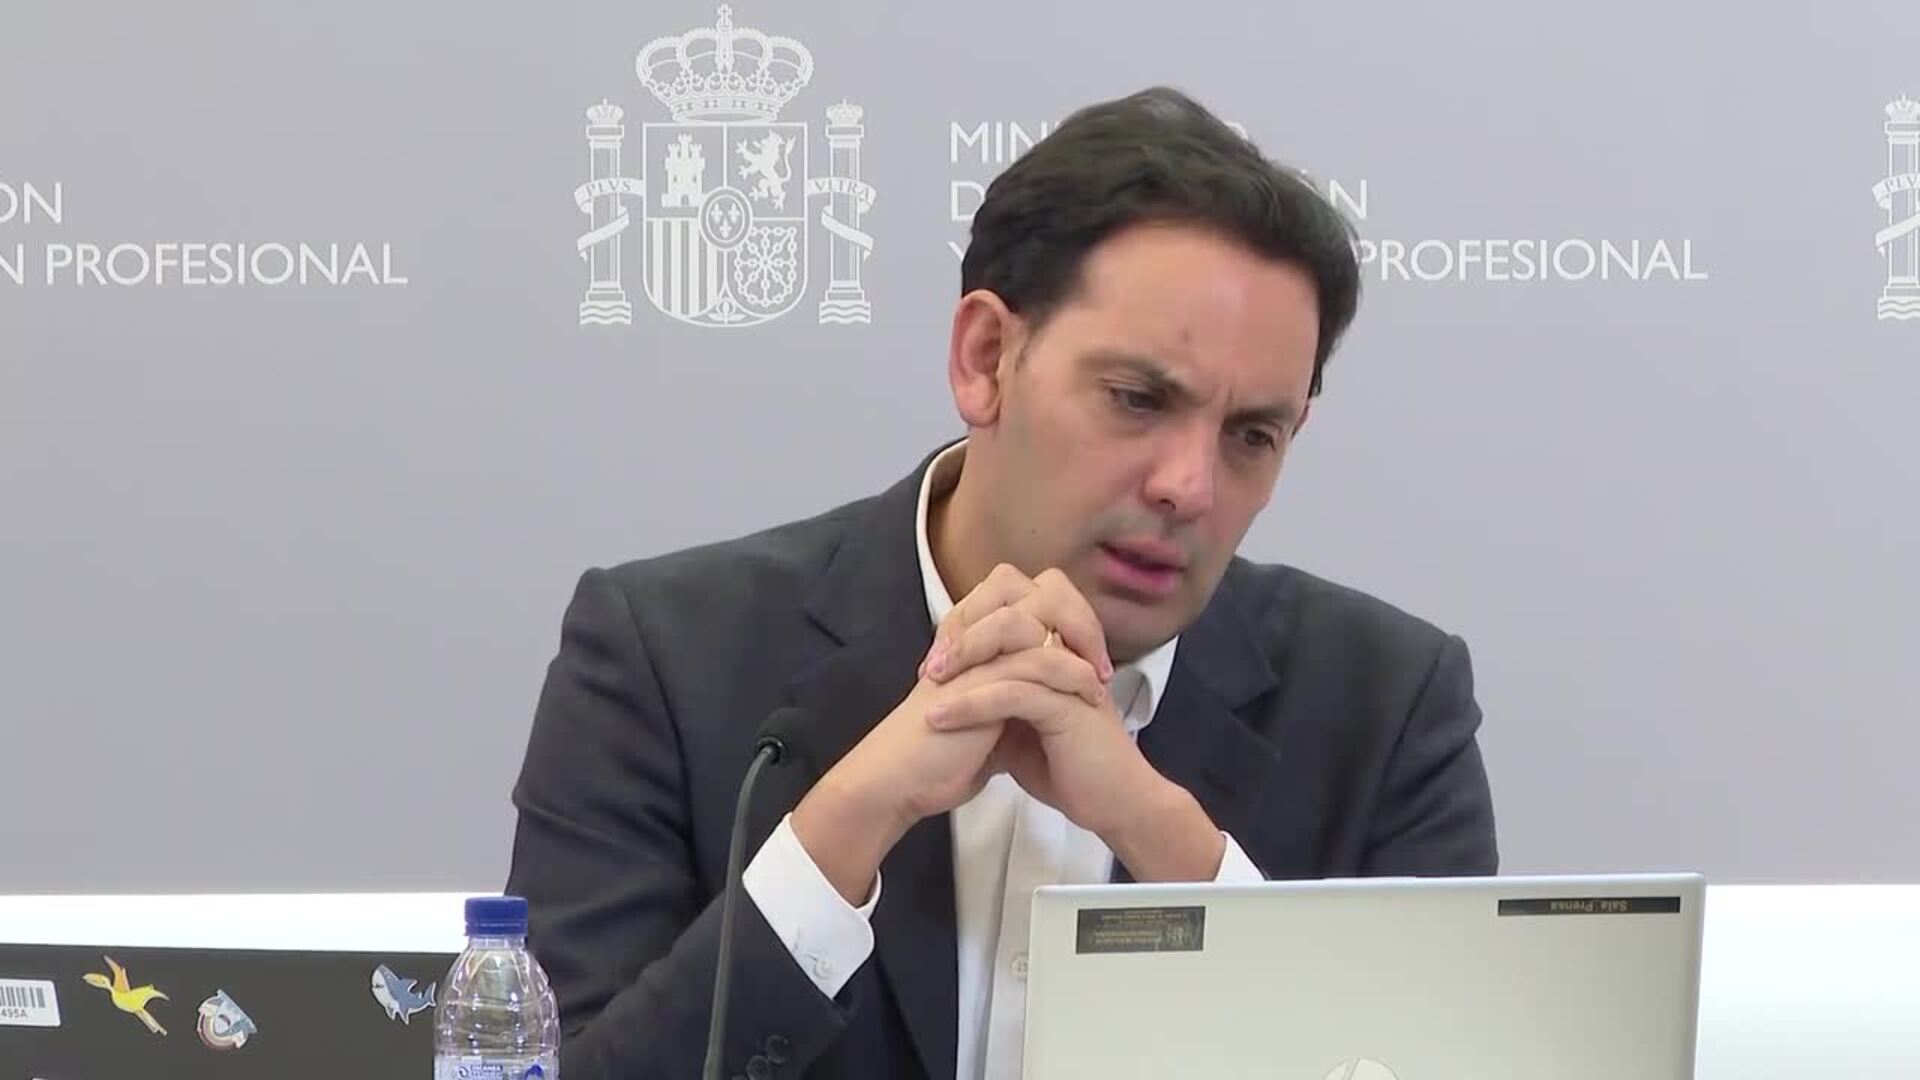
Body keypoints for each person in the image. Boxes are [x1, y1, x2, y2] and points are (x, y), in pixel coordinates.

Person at [502, 85, 1497, 1080]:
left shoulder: (1386, 711)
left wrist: (1169, 845)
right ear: (985, 358)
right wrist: (840, 834)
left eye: (1251, 436)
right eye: (1137, 399)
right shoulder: (664, 661)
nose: (1189, 487)